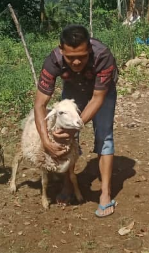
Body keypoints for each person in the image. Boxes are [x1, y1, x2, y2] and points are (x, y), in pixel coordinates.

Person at [34, 24, 118, 217]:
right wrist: (45, 139)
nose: (77, 62)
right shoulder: (52, 61)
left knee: (104, 135)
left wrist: (75, 127)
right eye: (70, 58)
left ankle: (105, 193)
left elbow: (97, 98)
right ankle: (68, 184)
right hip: (73, 89)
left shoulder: (103, 56)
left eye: (82, 56)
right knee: (64, 136)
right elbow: (39, 105)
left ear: (89, 48)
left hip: (103, 91)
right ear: (61, 50)